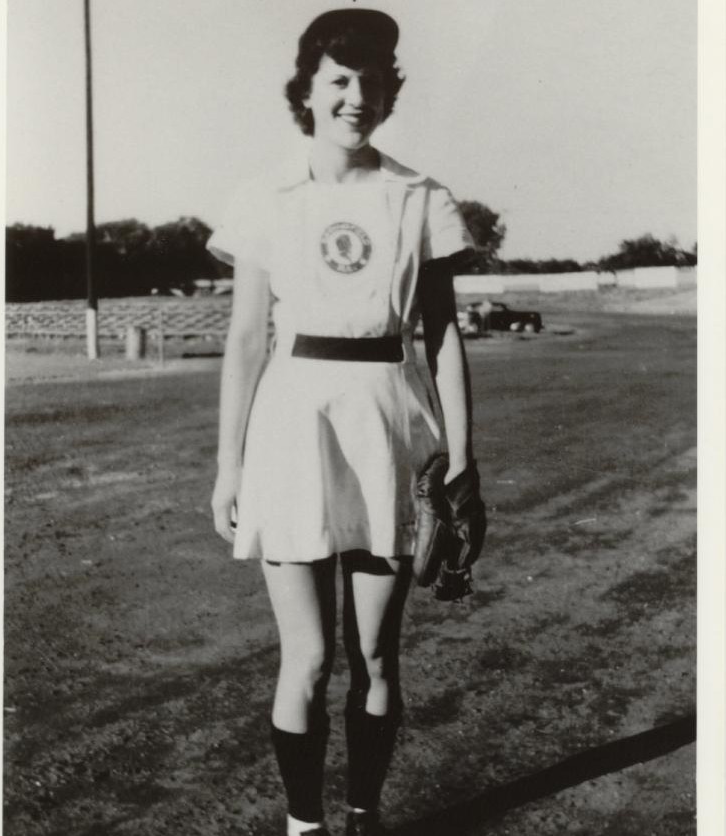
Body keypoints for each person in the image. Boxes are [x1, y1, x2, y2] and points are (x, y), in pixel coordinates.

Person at [208, 9, 477, 835]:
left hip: (389, 429)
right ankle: (303, 825)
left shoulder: (418, 195)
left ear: (389, 91)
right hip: (293, 431)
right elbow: (247, 338)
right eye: (337, 80)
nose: (355, 97)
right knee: (309, 657)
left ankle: (363, 815)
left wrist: (462, 456)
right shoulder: (266, 195)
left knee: (373, 657)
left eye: (370, 80)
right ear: (308, 91)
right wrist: (228, 465)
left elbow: (442, 334)